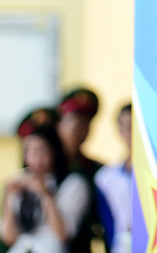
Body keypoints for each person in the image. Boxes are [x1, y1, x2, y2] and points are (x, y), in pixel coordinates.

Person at [0, 117, 90, 253]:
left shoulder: (72, 184)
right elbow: (9, 238)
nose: (36, 159)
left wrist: (45, 194)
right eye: (30, 151)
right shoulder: (19, 184)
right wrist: (9, 198)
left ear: (55, 152)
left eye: (42, 151)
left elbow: (63, 234)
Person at [54, 88, 103, 253]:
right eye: (74, 121)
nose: (79, 129)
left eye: (85, 123)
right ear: (59, 124)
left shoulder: (98, 171)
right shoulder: (46, 169)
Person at [92, 104, 134, 253]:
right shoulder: (105, 178)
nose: (133, 133)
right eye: (128, 127)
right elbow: (107, 224)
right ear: (120, 131)